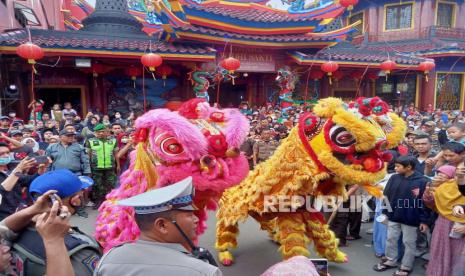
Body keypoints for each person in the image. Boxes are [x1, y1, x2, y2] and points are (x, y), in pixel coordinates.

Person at [95, 177, 222, 276]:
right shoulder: (203, 271)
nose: (196, 219)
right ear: (162, 225)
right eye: (189, 215)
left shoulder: (108, 259)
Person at [0, 169, 101, 276]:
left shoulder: (19, 229)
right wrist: (54, 241)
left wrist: (34, 209)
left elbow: (3, 228)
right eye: (81, 193)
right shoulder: (79, 252)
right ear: (75, 200)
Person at [373, 156, 430, 276]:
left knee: (409, 243)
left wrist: (424, 220)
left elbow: (425, 202)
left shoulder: (422, 181)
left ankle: (406, 266)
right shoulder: (394, 177)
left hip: (411, 219)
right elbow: (387, 194)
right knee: (391, 239)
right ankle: (390, 260)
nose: (395, 168)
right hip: (393, 216)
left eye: (398, 166)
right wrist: (385, 212)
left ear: (409, 167)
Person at [423, 163, 465, 276]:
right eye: (458, 171)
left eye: (463, 171)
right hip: (442, 224)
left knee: (457, 256)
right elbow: (433, 205)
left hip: (460, 226)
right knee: (439, 252)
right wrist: (427, 194)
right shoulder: (444, 187)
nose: (459, 174)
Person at [0, 143, 43, 220]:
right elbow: (3, 190)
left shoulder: (9, 170)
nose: (6, 155)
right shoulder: (15, 170)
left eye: (7, 152)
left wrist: (41, 170)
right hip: (4, 216)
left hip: (18, 210)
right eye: (1, 154)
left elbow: (27, 181)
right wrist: (18, 169)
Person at [86, 124, 118, 208]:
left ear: (107, 132)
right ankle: (98, 201)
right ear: (95, 133)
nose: (101, 133)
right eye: (99, 132)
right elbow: (88, 155)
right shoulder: (90, 141)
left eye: (103, 131)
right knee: (97, 185)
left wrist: (118, 165)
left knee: (111, 184)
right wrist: (88, 167)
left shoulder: (113, 140)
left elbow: (115, 154)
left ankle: (111, 200)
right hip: (96, 167)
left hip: (110, 166)